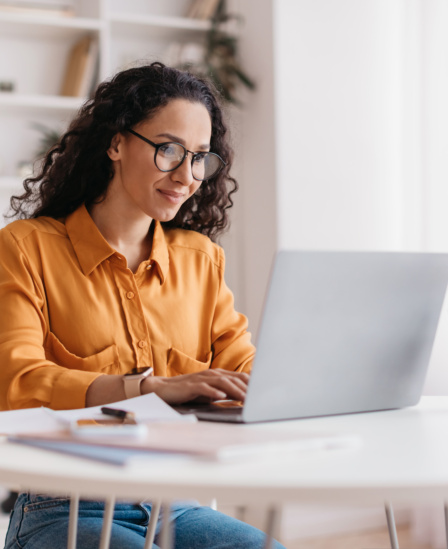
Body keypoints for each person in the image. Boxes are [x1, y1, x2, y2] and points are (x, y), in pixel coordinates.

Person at [0, 62, 286, 549]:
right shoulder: (26, 248)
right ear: (116, 143)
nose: (187, 175)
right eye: (169, 149)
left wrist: (299, 385)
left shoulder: (200, 261)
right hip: (63, 505)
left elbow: (243, 370)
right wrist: (148, 388)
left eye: (199, 157)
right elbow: (17, 382)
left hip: (176, 501)